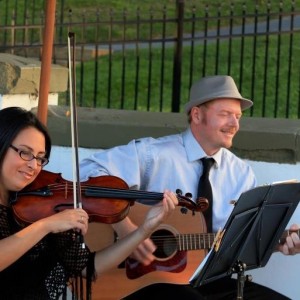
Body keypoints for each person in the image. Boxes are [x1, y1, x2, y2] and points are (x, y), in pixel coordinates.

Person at [79, 75, 300, 299]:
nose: (234, 124)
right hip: (149, 280)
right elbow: (88, 173)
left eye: (238, 116)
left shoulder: (241, 174)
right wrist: (126, 230)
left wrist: (275, 242)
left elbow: (236, 239)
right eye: (225, 115)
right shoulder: (153, 155)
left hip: (210, 281)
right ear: (197, 114)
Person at [0, 106, 178, 300]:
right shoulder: (47, 219)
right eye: (25, 153)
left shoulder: (42, 203)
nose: (34, 166)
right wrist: (46, 226)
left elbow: (88, 267)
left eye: (40, 158)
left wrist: (143, 230)